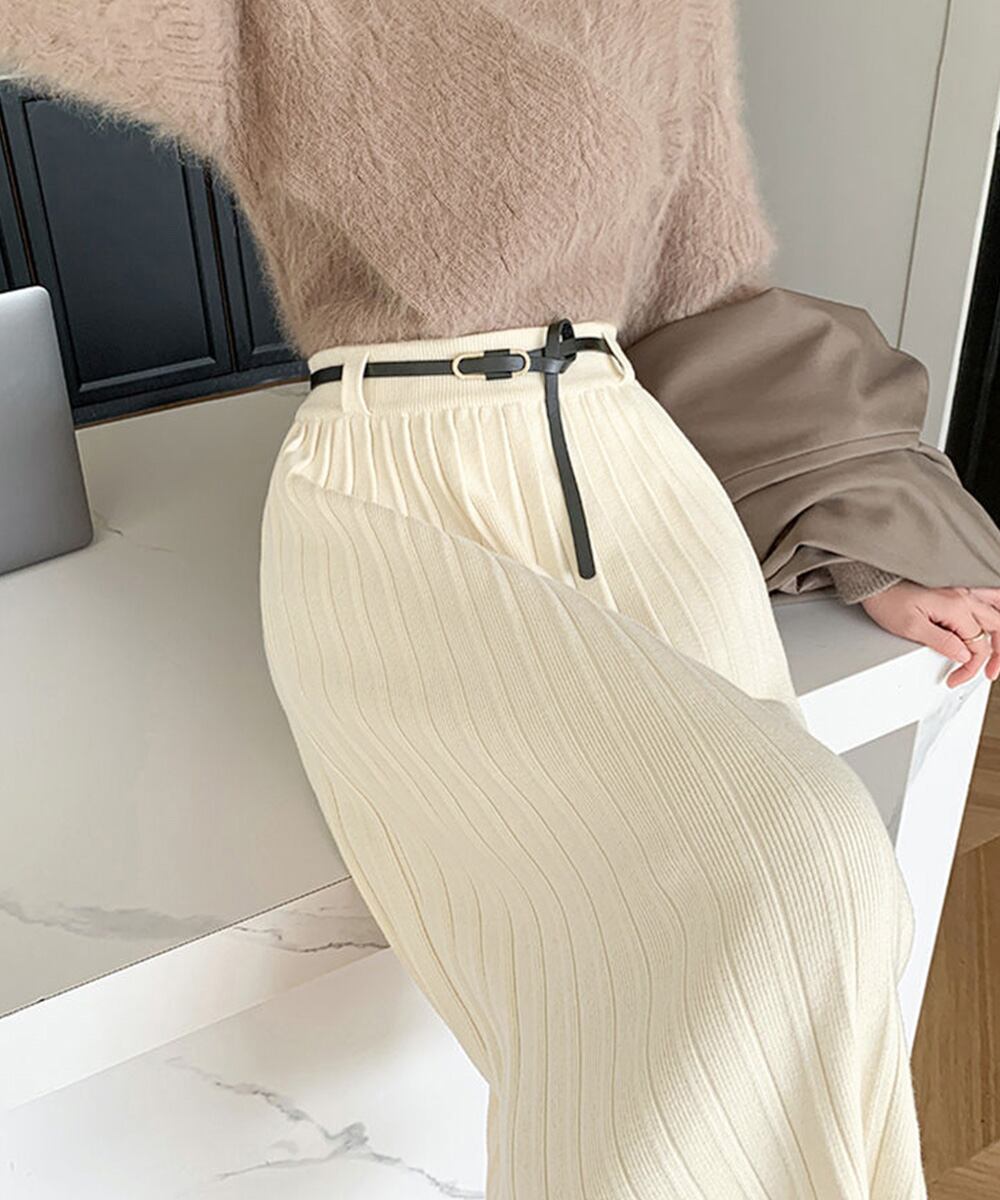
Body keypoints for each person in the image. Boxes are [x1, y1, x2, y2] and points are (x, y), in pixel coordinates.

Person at [5, 3, 998, 1194]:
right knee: (789, 860)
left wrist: (866, 532)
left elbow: (706, 293)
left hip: (639, 477)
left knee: (820, 897)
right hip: (397, 485)